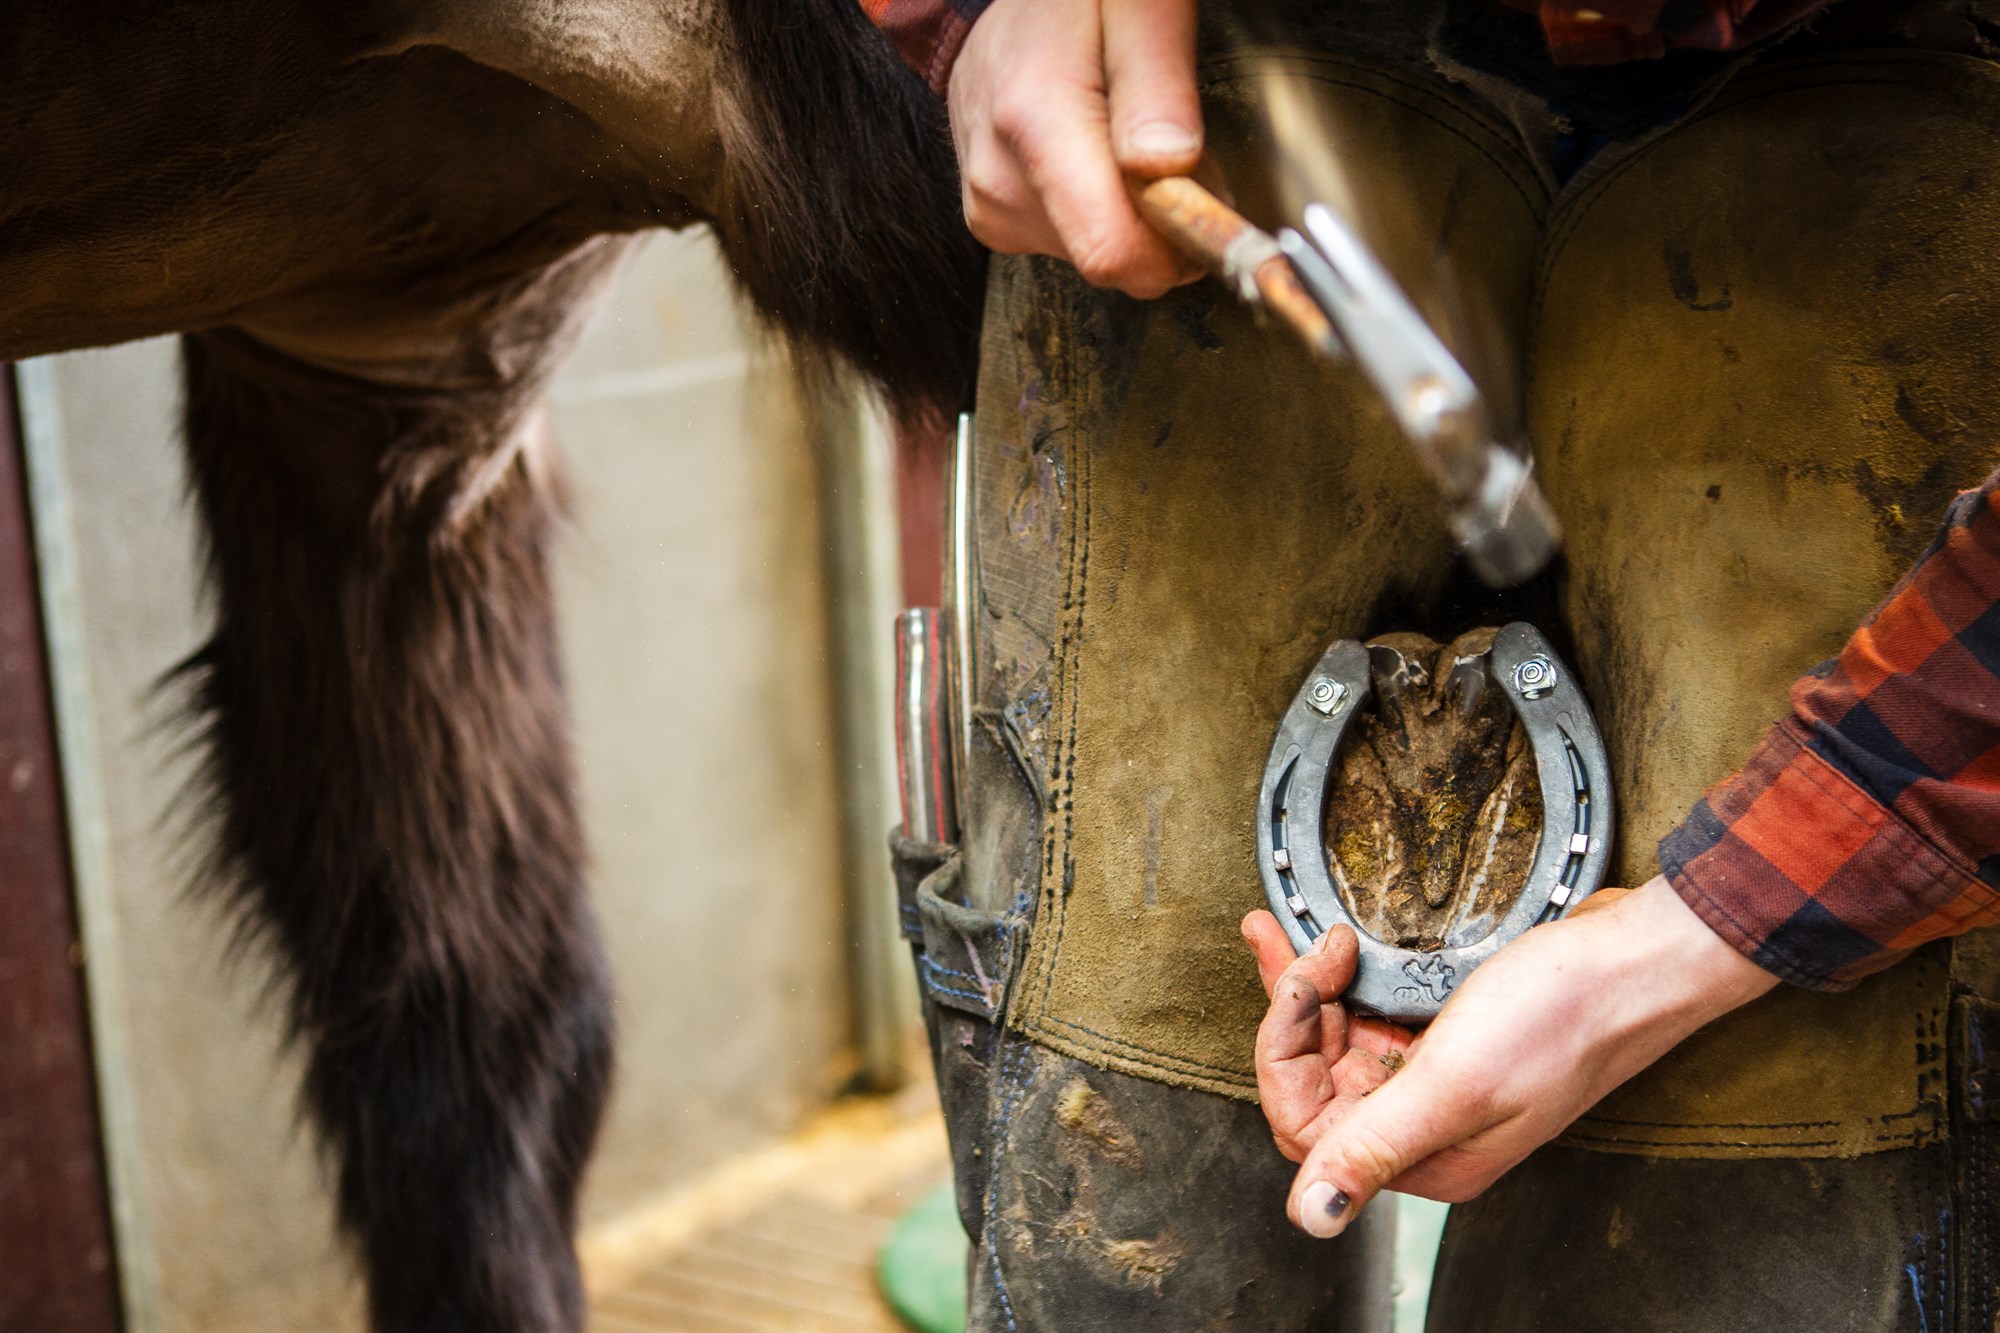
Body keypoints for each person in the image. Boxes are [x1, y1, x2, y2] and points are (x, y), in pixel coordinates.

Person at [870, 0, 2000, 1327]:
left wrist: (1694, 943)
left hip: (1882, 126)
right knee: (1127, 1185)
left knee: (1744, 1227)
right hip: (1251, 70)